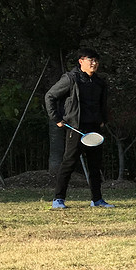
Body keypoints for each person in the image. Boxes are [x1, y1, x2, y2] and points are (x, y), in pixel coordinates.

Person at [44, 48, 114, 209]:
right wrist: (57, 119)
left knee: (95, 166)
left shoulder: (99, 82)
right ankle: (58, 200)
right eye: (91, 60)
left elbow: (103, 103)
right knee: (68, 164)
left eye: (96, 60)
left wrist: (103, 120)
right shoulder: (70, 79)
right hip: (75, 128)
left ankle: (97, 200)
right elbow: (50, 96)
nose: (94, 63)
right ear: (81, 61)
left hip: (95, 128)